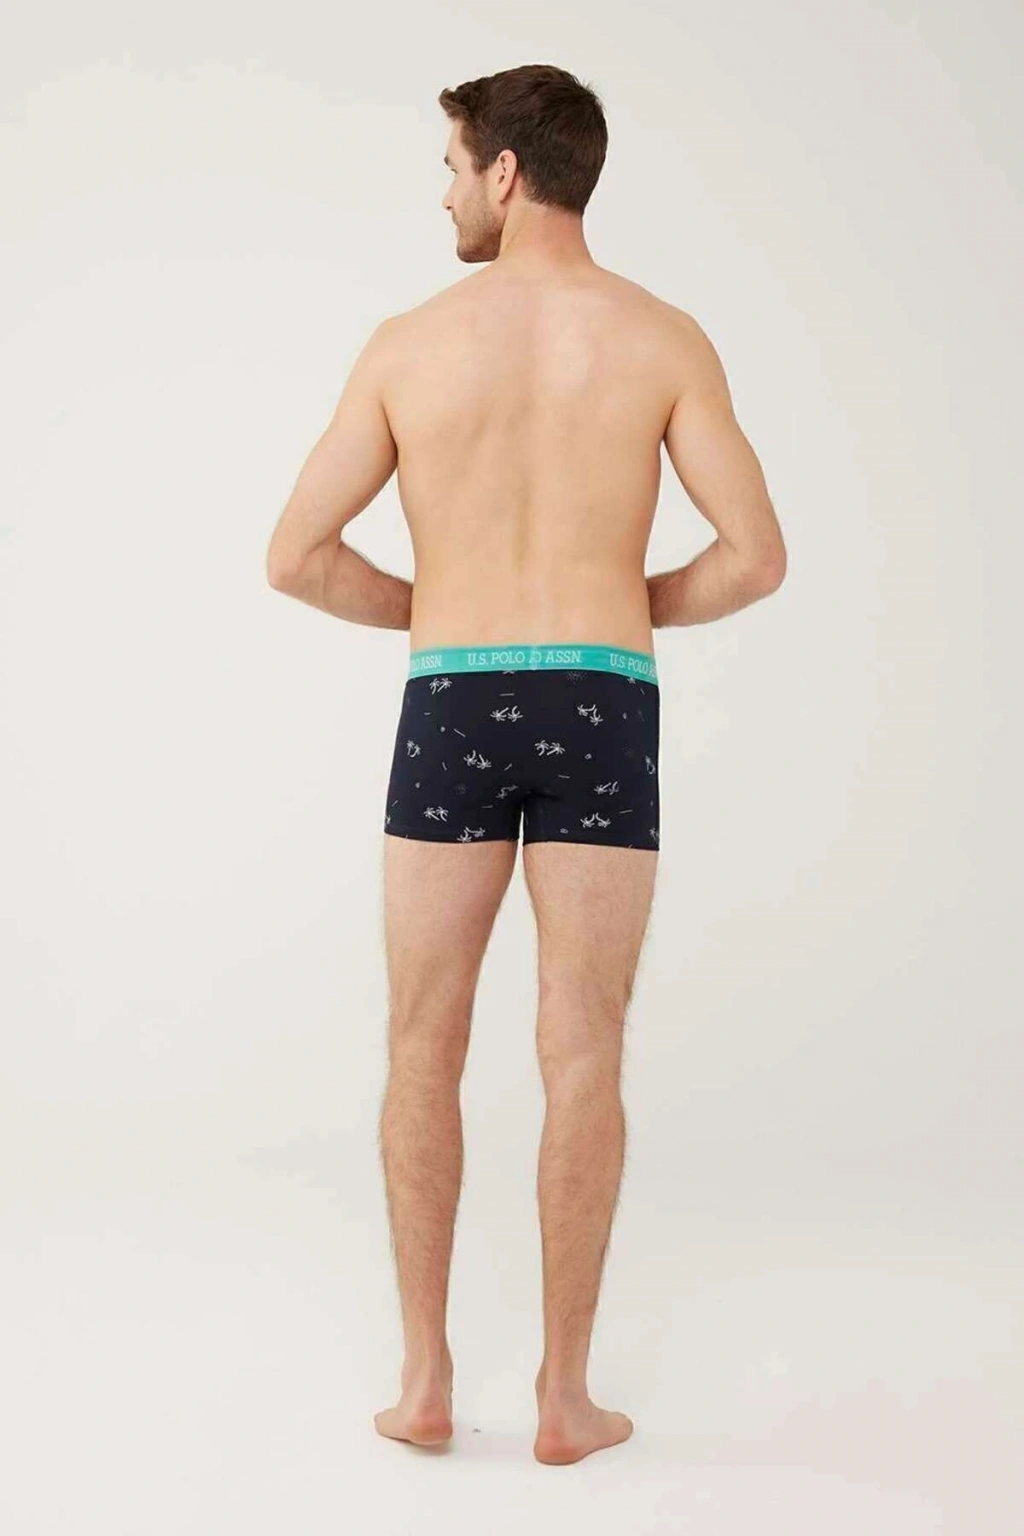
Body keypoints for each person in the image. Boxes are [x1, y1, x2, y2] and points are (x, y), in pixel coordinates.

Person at [266, 62, 786, 1465]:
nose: (443, 193)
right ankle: (565, 1397)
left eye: (452, 167)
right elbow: (755, 558)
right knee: (584, 1048)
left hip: (453, 697)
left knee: (420, 1041)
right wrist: (619, 605)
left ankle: (425, 1385)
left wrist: (442, 611)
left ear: (505, 172)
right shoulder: (663, 338)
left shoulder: (409, 344)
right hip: (604, 699)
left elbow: (296, 556)